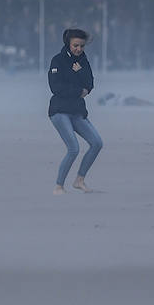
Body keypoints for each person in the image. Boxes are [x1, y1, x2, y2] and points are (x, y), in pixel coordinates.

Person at [48, 28, 104, 194]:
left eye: (81, 46)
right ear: (68, 44)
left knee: (97, 143)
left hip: (77, 111)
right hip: (59, 111)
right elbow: (56, 88)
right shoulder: (57, 61)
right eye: (75, 45)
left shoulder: (83, 61)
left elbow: (90, 84)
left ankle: (79, 180)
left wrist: (80, 73)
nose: (78, 49)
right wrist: (78, 91)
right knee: (73, 148)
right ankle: (58, 186)